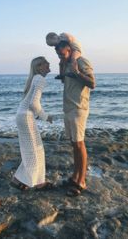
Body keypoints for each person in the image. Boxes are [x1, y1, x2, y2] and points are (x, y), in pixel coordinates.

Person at [55, 40, 96, 196]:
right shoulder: (66, 63)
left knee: (79, 145)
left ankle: (82, 181)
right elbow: (64, 81)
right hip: (68, 108)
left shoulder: (82, 61)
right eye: (58, 54)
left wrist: (77, 72)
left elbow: (92, 83)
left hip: (79, 108)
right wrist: (62, 65)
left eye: (62, 53)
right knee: (74, 144)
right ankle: (75, 177)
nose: (60, 56)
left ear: (70, 50)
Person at [12, 56, 54, 190]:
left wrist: (36, 114)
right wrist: (45, 116)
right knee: (36, 150)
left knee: (30, 151)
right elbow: (34, 103)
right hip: (26, 117)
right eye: (45, 63)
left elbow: (29, 102)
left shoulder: (35, 78)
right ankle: (38, 183)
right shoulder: (40, 79)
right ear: (39, 67)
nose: (48, 63)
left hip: (22, 115)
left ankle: (18, 180)